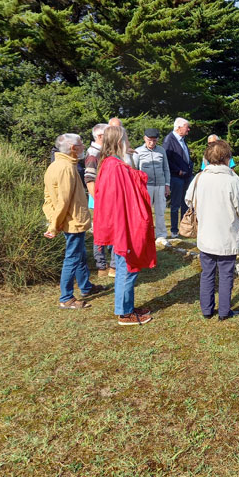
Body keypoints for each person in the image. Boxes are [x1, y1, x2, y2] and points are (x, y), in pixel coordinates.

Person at [93, 125, 157, 326]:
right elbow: (129, 194)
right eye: (126, 139)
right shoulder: (116, 167)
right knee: (128, 266)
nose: (129, 143)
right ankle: (124, 313)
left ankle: (126, 307)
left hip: (120, 223)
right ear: (120, 142)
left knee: (124, 266)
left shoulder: (110, 164)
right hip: (125, 224)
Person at [186, 140, 239, 320]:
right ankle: (224, 311)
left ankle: (207, 310)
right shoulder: (232, 181)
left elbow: (188, 200)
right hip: (227, 235)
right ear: (227, 158)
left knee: (207, 273)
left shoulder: (199, 178)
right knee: (226, 274)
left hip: (206, 234)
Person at [42, 133, 104, 309]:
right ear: (72, 148)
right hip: (72, 222)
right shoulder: (65, 168)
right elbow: (63, 200)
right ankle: (66, 298)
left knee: (80, 254)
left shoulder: (57, 165)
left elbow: (48, 198)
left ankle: (86, 287)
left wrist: (52, 219)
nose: (84, 146)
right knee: (73, 257)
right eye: (81, 144)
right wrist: (53, 226)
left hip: (71, 220)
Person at [84, 123, 115, 278]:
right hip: (101, 202)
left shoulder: (104, 152)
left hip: (108, 200)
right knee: (100, 233)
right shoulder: (93, 154)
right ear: (101, 136)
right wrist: (99, 201)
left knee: (110, 231)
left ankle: (111, 264)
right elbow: (89, 179)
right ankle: (102, 265)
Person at [133, 128, 171, 242]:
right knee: (145, 212)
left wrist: (167, 184)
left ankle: (161, 235)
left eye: (154, 140)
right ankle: (145, 234)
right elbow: (134, 170)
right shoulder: (138, 152)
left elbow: (166, 168)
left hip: (160, 185)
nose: (152, 143)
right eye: (149, 140)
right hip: (145, 186)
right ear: (145, 138)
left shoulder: (161, 150)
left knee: (160, 211)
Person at [163, 117, 194, 238]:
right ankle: (174, 230)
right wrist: (178, 170)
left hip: (186, 176)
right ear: (179, 128)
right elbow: (166, 159)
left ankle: (183, 228)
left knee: (185, 203)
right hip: (176, 177)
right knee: (175, 204)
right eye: (187, 127)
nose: (188, 129)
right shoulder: (169, 140)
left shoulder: (182, 139)